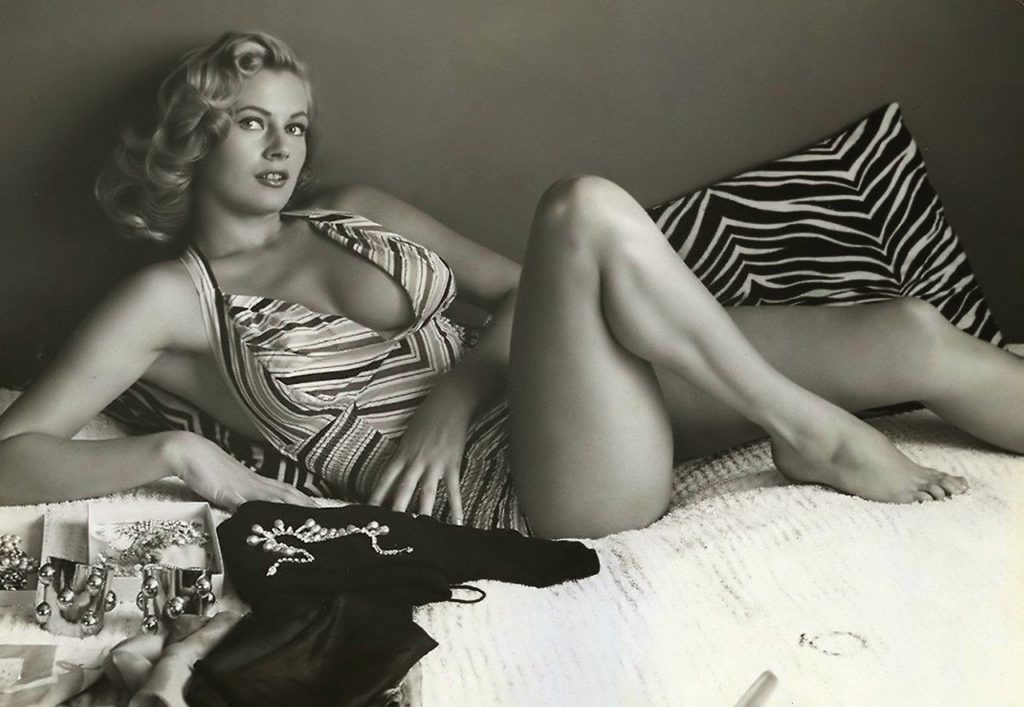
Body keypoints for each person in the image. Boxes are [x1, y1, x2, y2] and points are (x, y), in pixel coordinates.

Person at [0, 31, 1020, 539]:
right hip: (523, 492)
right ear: (194, 137)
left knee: (909, 330)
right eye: (252, 123)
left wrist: (453, 393)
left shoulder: (354, 209)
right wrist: (183, 456)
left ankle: (807, 422)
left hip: (551, 406)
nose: (282, 147)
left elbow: (543, 294)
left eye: (296, 124)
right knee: (582, 208)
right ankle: (813, 431)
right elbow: (12, 455)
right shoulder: (170, 300)